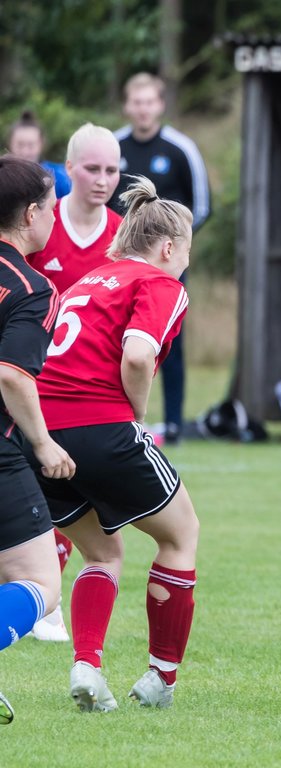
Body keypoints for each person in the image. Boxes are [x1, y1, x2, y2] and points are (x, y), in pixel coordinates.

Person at [28, 176, 199, 712]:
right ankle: (160, 679)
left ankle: (87, 667)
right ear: (168, 248)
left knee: (101, 551)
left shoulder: (90, 279)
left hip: (43, 434)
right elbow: (137, 354)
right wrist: (138, 417)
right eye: (187, 252)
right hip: (102, 426)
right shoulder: (161, 284)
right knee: (180, 535)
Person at [23, 123, 123, 642]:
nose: (102, 180)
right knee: (40, 483)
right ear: (68, 169)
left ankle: (47, 595)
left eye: (111, 169)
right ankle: (40, 590)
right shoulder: (40, 226)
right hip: (31, 382)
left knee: (74, 485)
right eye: (91, 168)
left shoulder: (124, 235)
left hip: (93, 393)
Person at [0, 155, 77, 724]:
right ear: (30, 215)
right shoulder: (32, 286)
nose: (54, 218)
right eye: (51, 208)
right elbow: (11, 374)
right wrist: (44, 443)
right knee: (38, 582)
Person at [108, 73, 210, 446]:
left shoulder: (180, 148)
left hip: (167, 266)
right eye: (136, 102)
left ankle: (174, 424)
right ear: (127, 106)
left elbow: (201, 205)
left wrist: (170, 247)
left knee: (170, 342)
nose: (143, 109)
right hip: (120, 267)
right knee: (120, 340)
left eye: (149, 101)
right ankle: (120, 420)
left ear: (160, 105)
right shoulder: (114, 147)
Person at [6, 111, 71, 198]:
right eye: (20, 145)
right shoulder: (3, 177)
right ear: (10, 143)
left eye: (31, 145)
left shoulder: (59, 176)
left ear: (41, 144)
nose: (25, 152)